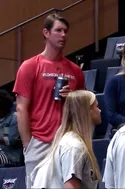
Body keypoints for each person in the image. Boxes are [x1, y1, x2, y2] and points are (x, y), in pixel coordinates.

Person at [13, 13, 85, 186]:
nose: (63, 35)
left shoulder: (75, 71)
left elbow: (84, 107)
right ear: (46, 33)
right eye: (58, 30)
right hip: (39, 141)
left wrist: (72, 98)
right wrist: (27, 144)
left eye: (65, 31)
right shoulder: (30, 66)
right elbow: (21, 108)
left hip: (67, 140)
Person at [30, 90, 101, 189]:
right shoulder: (74, 146)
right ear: (87, 111)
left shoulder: (71, 142)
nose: (99, 110)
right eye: (96, 106)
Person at [0, 90, 22, 186]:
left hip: (9, 156)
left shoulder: (13, 118)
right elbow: (1, 137)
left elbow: (10, 140)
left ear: (1, 108)